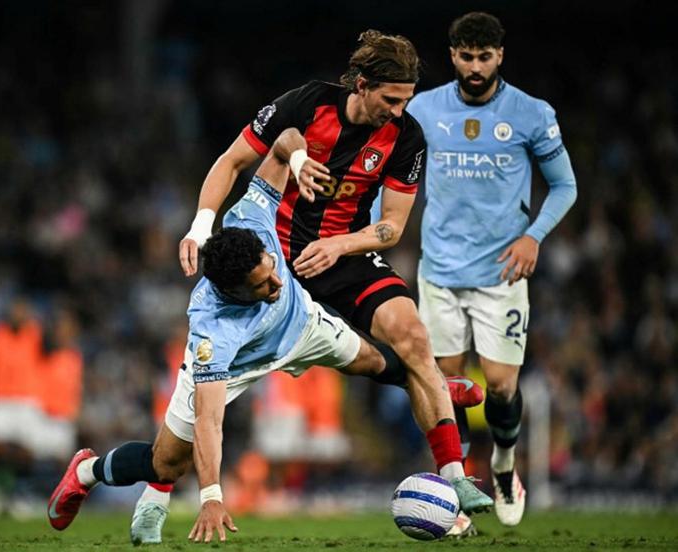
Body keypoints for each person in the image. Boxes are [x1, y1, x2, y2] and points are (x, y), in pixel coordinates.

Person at [168, 29, 491, 540]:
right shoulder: (308, 102)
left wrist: (341, 245)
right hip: (272, 259)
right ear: (361, 85)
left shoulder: (406, 137)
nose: (399, 111)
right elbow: (232, 161)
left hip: (343, 253)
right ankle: (426, 382)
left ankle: (455, 473)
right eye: (391, 99)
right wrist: (202, 226)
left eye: (407, 100)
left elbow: (393, 226)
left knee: (413, 336)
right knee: (180, 444)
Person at [47, 129, 426, 544]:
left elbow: (284, 140)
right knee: (166, 465)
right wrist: (211, 496)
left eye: (271, 268)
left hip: (299, 325)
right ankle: (86, 471)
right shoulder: (214, 327)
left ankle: (438, 385)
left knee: (374, 362)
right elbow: (211, 420)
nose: (276, 283)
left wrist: (298, 160)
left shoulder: (251, 219)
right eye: (262, 286)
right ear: (233, 292)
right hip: (237, 360)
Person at [399, 12, 577, 536]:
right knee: (443, 386)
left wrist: (533, 236)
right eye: (465, 56)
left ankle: (504, 464)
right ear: (452, 55)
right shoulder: (424, 109)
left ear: (500, 56)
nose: (475, 67)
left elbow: (564, 186)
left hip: (501, 273)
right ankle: (454, 490)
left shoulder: (531, 113)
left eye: (484, 57)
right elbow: (391, 167)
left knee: (499, 388)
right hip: (440, 272)